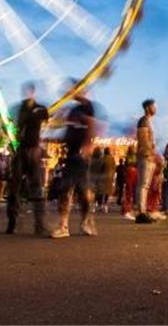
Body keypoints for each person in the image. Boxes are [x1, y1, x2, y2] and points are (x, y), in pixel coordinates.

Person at [50, 89, 98, 238]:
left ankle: (85, 222)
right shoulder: (72, 111)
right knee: (66, 188)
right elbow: (59, 126)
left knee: (83, 192)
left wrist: (88, 144)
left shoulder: (87, 107)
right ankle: (64, 225)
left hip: (81, 156)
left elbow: (91, 123)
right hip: (71, 155)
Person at [6, 83, 49, 235]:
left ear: (32, 92)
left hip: (30, 149)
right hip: (25, 149)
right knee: (16, 186)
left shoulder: (38, 109)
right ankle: (15, 221)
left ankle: (38, 224)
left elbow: (46, 124)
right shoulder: (26, 109)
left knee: (32, 186)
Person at [134, 99, 157, 223]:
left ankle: (143, 211)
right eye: (154, 106)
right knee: (143, 184)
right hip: (145, 156)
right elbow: (143, 139)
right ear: (148, 107)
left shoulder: (148, 121)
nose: (156, 108)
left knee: (145, 185)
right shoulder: (143, 121)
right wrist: (149, 153)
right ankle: (141, 213)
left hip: (149, 156)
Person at [96, 147, 117, 212]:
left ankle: (101, 205)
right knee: (107, 192)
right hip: (109, 178)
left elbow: (99, 168)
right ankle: (105, 205)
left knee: (101, 192)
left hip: (103, 177)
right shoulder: (112, 159)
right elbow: (114, 168)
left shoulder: (102, 159)